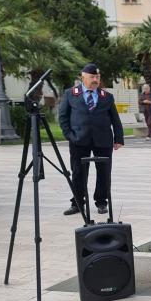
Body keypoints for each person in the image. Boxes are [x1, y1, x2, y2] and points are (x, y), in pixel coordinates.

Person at [58, 63, 123, 216]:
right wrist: (70, 135)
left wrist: (118, 138)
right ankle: (78, 203)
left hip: (103, 140)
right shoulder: (70, 94)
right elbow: (62, 117)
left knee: (104, 172)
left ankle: (101, 202)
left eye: (97, 77)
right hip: (78, 140)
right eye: (92, 77)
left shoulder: (106, 96)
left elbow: (115, 119)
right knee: (78, 172)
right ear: (83, 77)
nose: (95, 80)